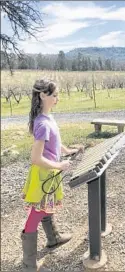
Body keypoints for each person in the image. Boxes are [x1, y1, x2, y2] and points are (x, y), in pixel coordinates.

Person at [21, 79, 83, 272]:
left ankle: (53, 238)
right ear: (42, 95)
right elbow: (35, 158)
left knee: (47, 207)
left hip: (51, 173)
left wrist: (69, 150)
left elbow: (56, 145)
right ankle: (29, 265)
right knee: (35, 214)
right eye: (54, 95)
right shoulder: (42, 124)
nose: (57, 99)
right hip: (43, 175)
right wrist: (60, 165)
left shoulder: (49, 119)